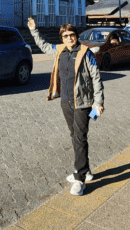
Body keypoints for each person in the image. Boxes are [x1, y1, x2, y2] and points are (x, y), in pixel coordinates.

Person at [28, 17, 104, 196]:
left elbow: (97, 78)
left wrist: (98, 102)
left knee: (79, 138)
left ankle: (80, 179)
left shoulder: (86, 53)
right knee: (75, 136)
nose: (69, 38)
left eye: (72, 35)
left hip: (83, 103)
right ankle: (86, 170)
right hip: (66, 102)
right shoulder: (60, 51)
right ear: (62, 38)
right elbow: (44, 45)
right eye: (65, 35)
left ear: (76, 36)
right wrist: (34, 30)